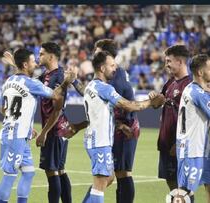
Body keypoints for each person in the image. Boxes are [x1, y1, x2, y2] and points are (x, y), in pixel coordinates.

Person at [81, 51, 164, 203]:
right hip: (100, 142)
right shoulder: (103, 88)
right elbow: (128, 105)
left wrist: (119, 125)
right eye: (111, 65)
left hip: (93, 139)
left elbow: (102, 114)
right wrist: (150, 103)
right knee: (100, 184)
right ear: (101, 68)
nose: (115, 68)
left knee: (108, 177)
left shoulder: (90, 86)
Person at [0, 48, 75, 203]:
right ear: (25, 64)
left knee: (28, 172)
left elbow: (3, 109)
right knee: (10, 174)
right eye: (33, 61)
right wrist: (67, 81)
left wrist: (24, 125)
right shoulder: (32, 83)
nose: (35, 64)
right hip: (15, 136)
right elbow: (56, 94)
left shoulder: (8, 82)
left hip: (19, 134)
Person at [36, 42, 87, 203]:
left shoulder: (58, 76)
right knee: (60, 170)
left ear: (51, 56)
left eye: (41, 53)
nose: (39, 56)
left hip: (55, 130)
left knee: (52, 172)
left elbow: (57, 109)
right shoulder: (45, 75)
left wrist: (43, 132)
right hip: (60, 129)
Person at [163, 54, 210, 203]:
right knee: (183, 194)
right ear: (201, 72)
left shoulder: (193, 89)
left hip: (198, 148)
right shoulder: (197, 93)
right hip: (191, 149)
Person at [150, 45, 192, 193]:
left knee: (184, 187)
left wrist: (180, 142)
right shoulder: (170, 82)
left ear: (180, 62)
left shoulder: (190, 85)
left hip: (179, 144)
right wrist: (154, 97)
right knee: (172, 184)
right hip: (166, 142)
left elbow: (192, 119)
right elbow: (157, 104)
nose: (166, 64)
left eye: (169, 61)